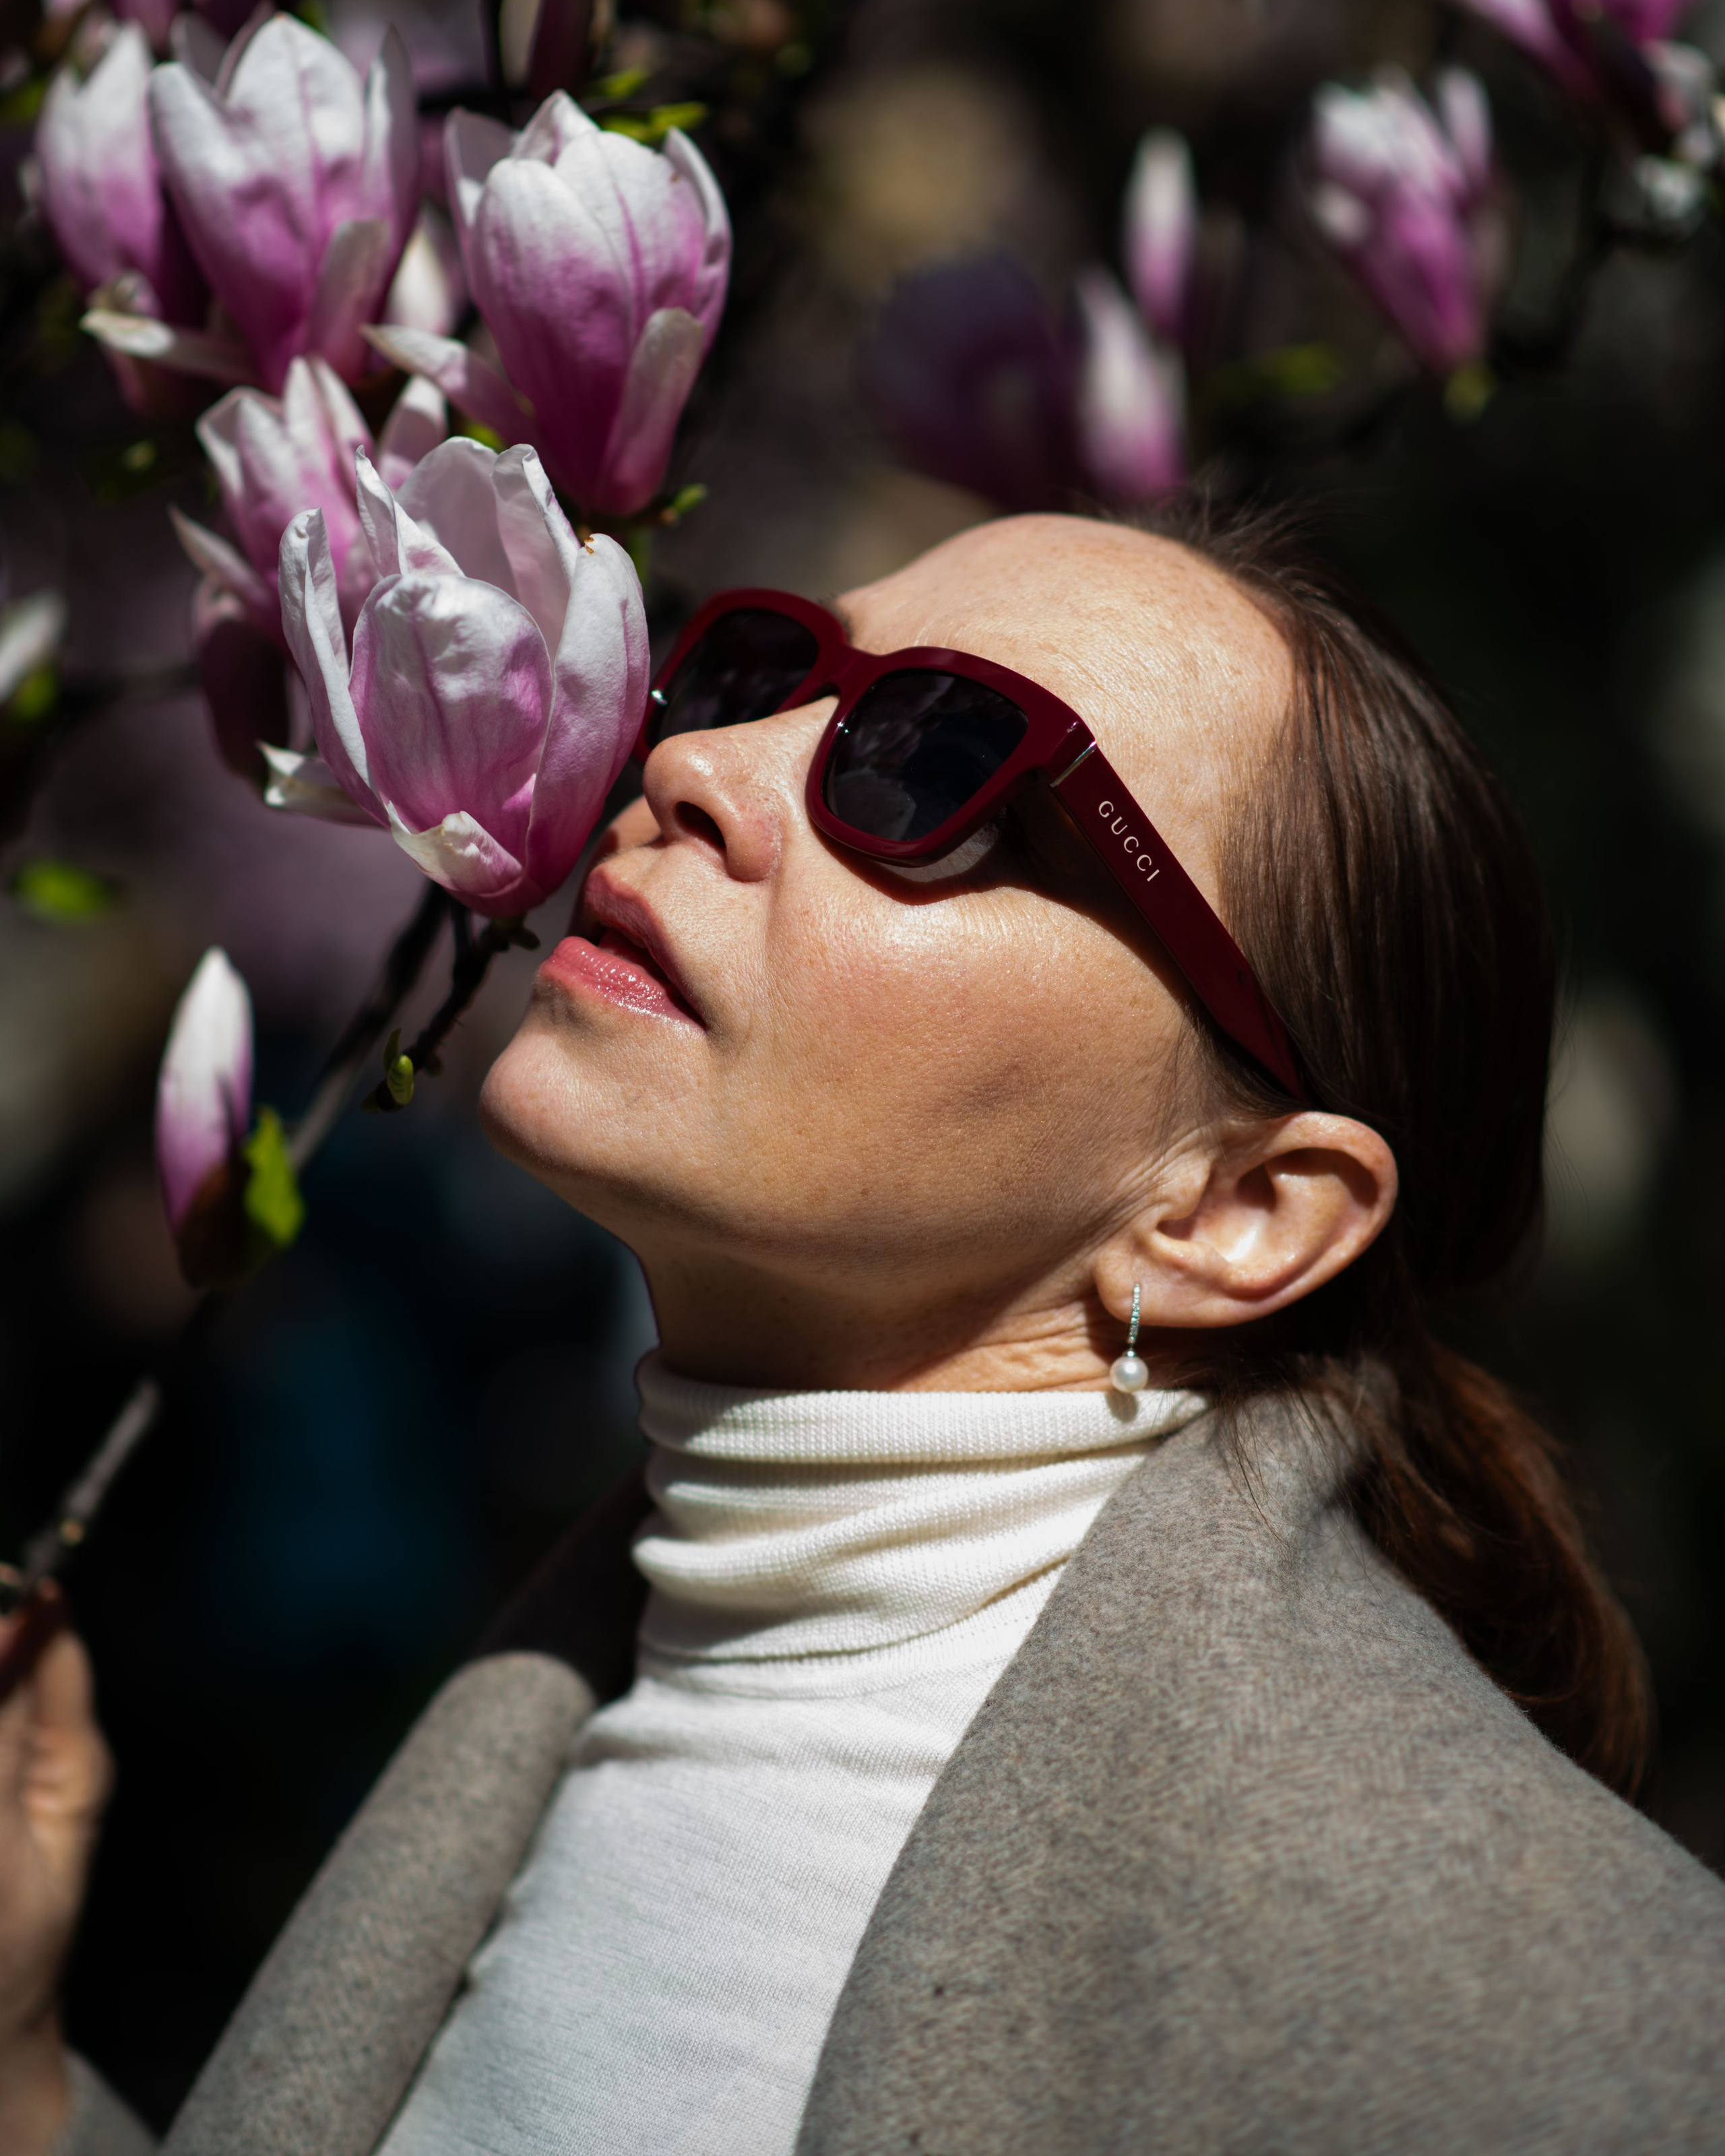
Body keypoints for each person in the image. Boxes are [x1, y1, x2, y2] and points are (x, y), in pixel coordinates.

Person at [7, 499, 1725, 2156]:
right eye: (763, 671)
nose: (692, 765)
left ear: (1229, 1216)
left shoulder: (1558, 2029)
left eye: (938, 762)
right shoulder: (609, 1670)